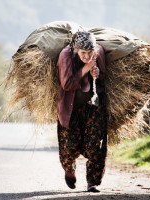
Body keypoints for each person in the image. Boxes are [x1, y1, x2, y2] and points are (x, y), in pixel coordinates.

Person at [56, 31, 108, 192]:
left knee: (96, 143)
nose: (87, 56)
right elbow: (67, 84)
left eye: (90, 53)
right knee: (68, 146)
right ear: (76, 49)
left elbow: (105, 76)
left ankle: (92, 182)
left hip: (94, 104)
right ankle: (69, 170)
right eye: (83, 53)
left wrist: (97, 73)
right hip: (71, 107)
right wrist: (85, 69)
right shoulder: (66, 56)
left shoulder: (98, 52)